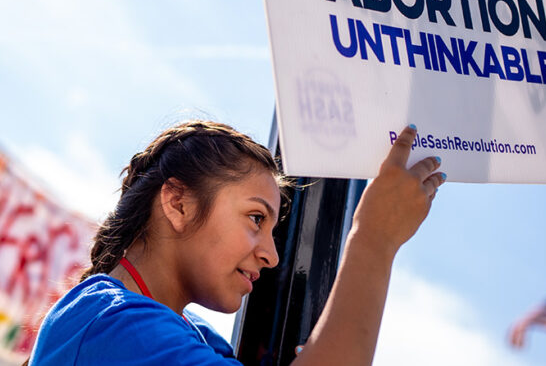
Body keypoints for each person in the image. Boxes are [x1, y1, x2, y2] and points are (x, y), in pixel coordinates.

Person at [27, 120, 444, 365]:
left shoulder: (195, 337)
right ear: (178, 202)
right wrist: (373, 239)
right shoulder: (112, 322)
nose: (272, 254)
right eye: (256, 218)